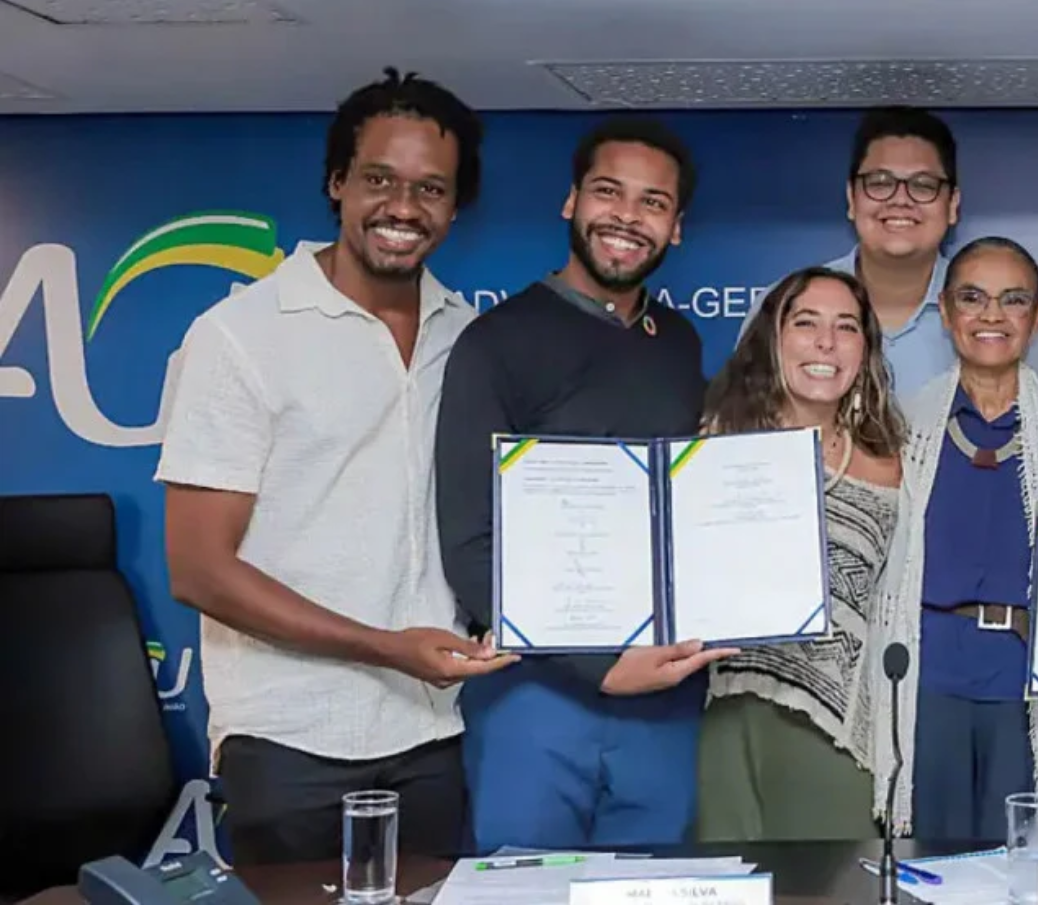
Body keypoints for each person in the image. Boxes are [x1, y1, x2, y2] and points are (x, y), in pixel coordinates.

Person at [155, 68, 513, 864]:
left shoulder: (472, 336)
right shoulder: (241, 336)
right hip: (288, 740)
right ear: (337, 182)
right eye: (379, 179)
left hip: (428, 732)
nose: (403, 207)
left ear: (455, 208)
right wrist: (386, 646)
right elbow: (199, 570)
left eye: (431, 188)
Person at [434, 116, 735, 851]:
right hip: (536, 695)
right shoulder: (495, 342)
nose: (628, 217)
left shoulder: (680, 344)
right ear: (572, 202)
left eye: (653, 203)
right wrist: (600, 667)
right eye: (609, 192)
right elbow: (472, 548)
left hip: (663, 698)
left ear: (677, 228)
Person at [870, 236, 1038, 842]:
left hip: (1027, 687)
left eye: (1013, 299)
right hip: (926, 680)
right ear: (944, 313)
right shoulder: (898, 425)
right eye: (972, 298)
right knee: (931, 868)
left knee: (1022, 869)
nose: (992, 315)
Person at [696, 266, 907, 841]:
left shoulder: (895, 460)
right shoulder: (715, 445)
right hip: (729, 711)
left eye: (846, 327)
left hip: (840, 726)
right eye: (806, 323)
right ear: (774, 337)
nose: (825, 343)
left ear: (865, 349)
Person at [737, 106, 1038, 398]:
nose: (900, 199)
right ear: (852, 199)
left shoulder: (1001, 320)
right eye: (880, 182)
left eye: (923, 185)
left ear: (952, 205)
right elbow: (747, 436)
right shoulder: (782, 306)